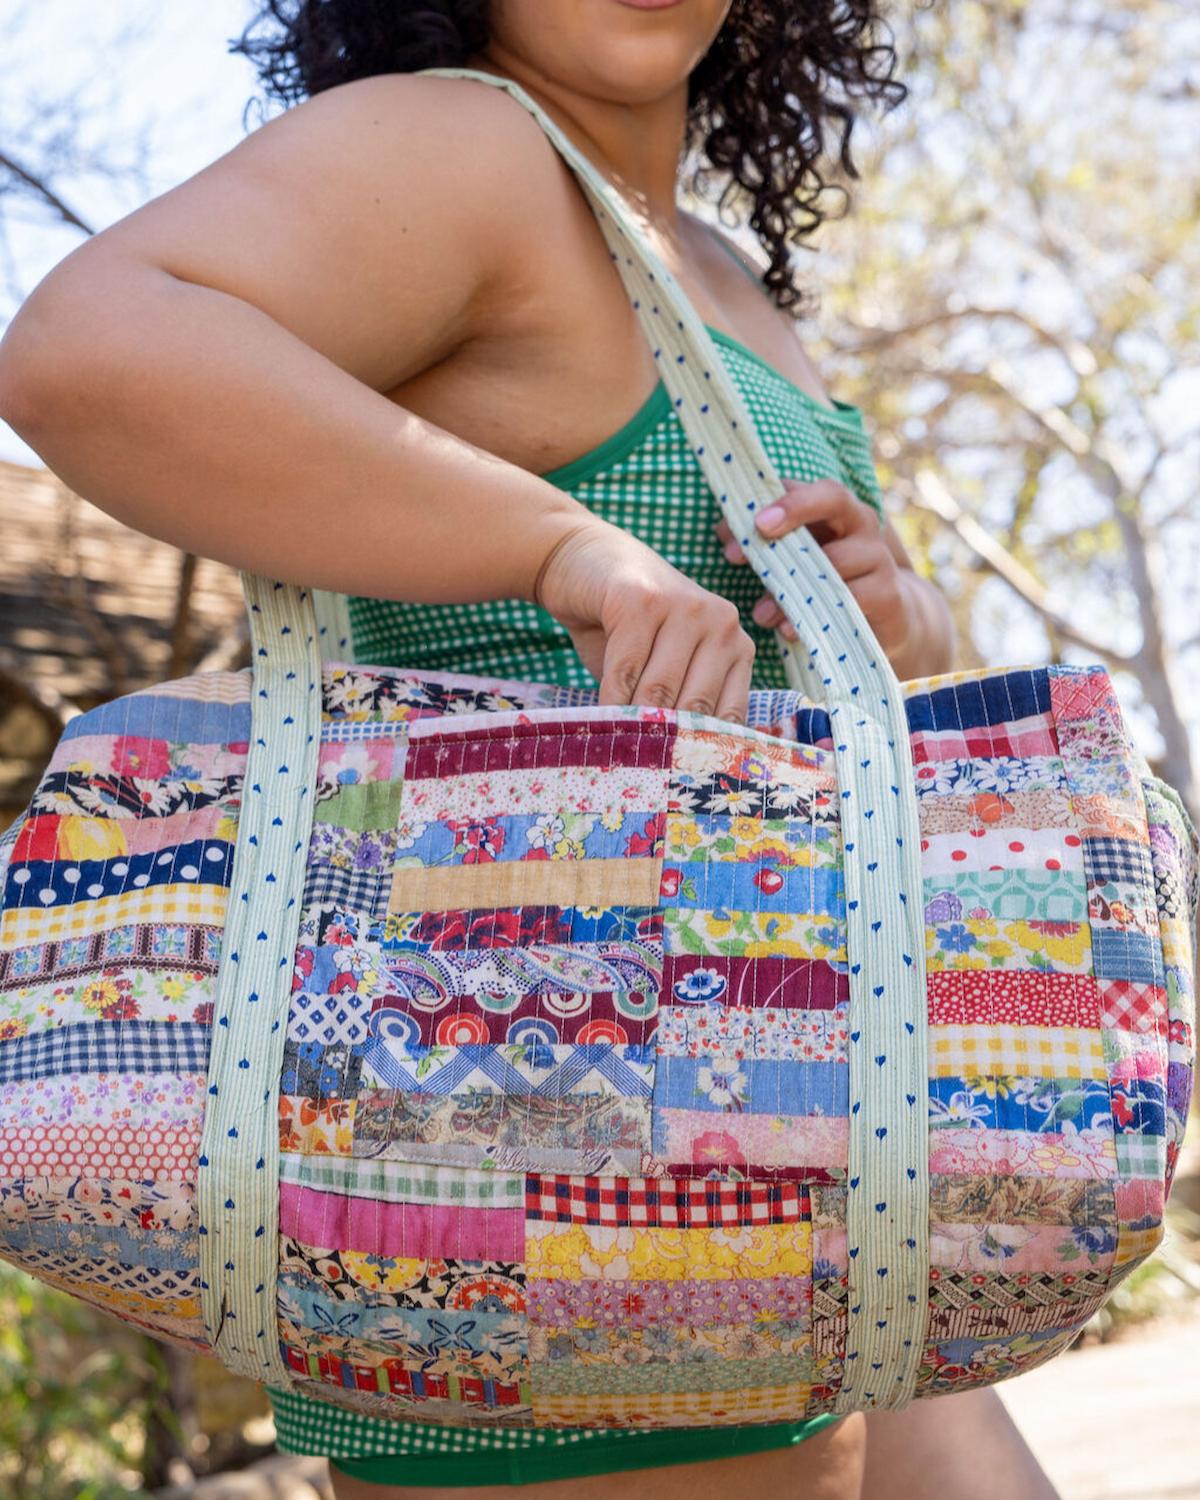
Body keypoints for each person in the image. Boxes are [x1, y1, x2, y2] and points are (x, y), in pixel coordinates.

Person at [0, 2, 1061, 1497]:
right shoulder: (468, 147)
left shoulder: (712, 263)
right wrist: (561, 549)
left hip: (803, 1133)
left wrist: (902, 615)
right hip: (522, 1149)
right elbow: (80, 350)